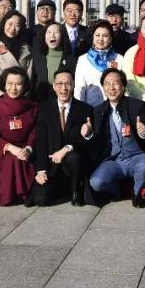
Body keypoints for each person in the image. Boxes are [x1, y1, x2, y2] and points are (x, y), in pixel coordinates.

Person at [87, 67, 145, 207]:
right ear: (103, 87)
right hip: (113, 160)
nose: (111, 87)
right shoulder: (98, 111)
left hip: (136, 156)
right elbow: (94, 142)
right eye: (107, 84)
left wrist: (143, 132)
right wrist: (88, 134)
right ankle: (118, 192)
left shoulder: (137, 106)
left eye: (116, 83)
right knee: (96, 182)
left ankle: (137, 193)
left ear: (123, 86)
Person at [26, 68, 93, 206]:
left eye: (68, 84)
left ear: (73, 85)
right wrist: (41, 170)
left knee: (74, 157)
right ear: (54, 86)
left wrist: (67, 148)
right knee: (40, 200)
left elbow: (87, 142)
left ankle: (75, 191)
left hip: (72, 164)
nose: (64, 88)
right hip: (51, 165)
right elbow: (40, 142)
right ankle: (61, 188)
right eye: (59, 84)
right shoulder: (44, 108)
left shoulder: (85, 109)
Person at [0, 66, 38, 206]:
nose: (13, 88)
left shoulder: (32, 107)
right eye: (10, 83)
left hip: (25, 148)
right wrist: (10, 148)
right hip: (1, 150)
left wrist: (28, 148)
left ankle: (27, 194)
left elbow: (35, 131)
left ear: (24, 86)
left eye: (18, 84)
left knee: (21, 157)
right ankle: (11, 195)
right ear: (4, 84)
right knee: (13, 158)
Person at [0, 10, 33, 101]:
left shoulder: (26, 48)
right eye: (10, 24)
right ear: (3, 25)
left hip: (21, 95)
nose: (13, 28)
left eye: (17, 25)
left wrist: (23, 91)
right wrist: (5, 91)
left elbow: (29, 73)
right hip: (0, 95)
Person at [74, 20, 122, 106]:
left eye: (105, 36)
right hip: (91, 109)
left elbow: (124, 86)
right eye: (97, 35)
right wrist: (79, 110)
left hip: (115, 108)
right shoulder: (83, 59)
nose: (101, 39)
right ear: (93, 37)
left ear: (111, 39)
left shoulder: (119, 58)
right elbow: (79, 89)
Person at [31, 22, 76, 101]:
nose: (52, 35)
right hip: (40, 103)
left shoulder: (71, 60)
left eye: (56, 32)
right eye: (49, 32)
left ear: (62, 36)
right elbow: (33, 82)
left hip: (63, 103)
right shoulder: (38, 57)